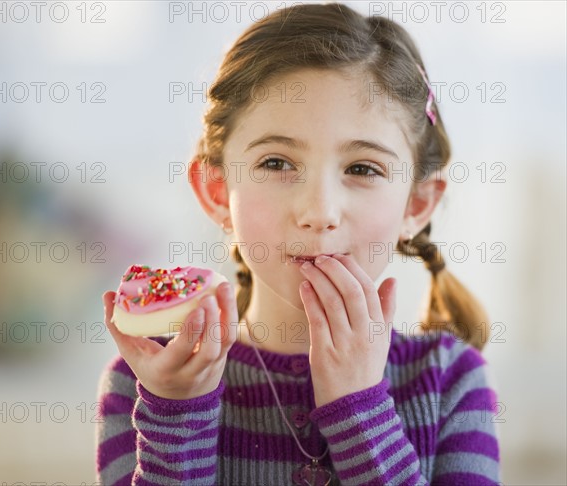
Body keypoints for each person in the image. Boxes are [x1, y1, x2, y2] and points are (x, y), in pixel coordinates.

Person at [96, 3, 500, 485]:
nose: (319, 212)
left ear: (416, 206)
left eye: (362, 169)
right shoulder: (147, 378)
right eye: (275, 163)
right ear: (217, 191)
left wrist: (361, 408)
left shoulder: (452, 382)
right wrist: (176, 413)